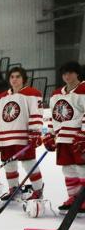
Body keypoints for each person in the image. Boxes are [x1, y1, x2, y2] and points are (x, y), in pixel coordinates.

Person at [0, 67, 45, 202]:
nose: (14, 79)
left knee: (29, 163)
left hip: (22, 137)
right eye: (12, 77)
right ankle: (14, 189)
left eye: (18, 76)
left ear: (24, 79)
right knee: (9, 165)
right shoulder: (2, 97)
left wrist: (35, 132)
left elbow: (37, 113)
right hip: (5, 137)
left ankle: (37, 190)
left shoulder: (32, 93)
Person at [44, 61, 85, 210]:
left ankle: (83, 199)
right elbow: (54, 117)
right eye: (65, 73)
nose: (67, 76)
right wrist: (50, 134)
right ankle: (73, 198)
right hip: (62, 139)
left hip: (78, 139)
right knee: (68, 169)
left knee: (82, 169)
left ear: (77, 73)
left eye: (70, 72)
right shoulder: (56, 94)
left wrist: (83, 134)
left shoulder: (83, 89)